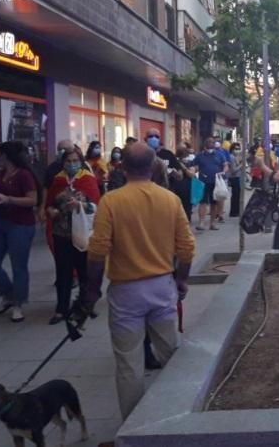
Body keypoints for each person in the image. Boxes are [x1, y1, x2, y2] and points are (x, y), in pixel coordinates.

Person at [69, 142, 195, 435]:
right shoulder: (170, 200)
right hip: (162, 287)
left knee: (128, 364)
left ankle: (135, 432)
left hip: (125, 292)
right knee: (172, 353)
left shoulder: (112, 201)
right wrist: (182, 280)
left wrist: (90, 292)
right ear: (153, 167)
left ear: (122, 167)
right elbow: (187, 248)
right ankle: (180, 415)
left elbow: (97, 252)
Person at [0, 141, 40, 323]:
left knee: (18, 265)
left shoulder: (24, 175)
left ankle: (18, 302)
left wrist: (8, 199)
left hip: (20, 225)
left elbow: (32, 200)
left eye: (0, 155)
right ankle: (7, 293)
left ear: (8, 156)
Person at [45, 149, 101, 325]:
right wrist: (51, 211)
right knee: (63, 272)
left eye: (75, 160)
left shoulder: (87, 179)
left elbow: (96, 205)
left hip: (82, 233)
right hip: (61, 233)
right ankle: (61, 309)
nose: (71, 164)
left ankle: (85, 306)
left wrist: (81, 205)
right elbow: (50, 204)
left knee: (84, 271)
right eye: (68, 161)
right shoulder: (58, 180)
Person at [192, 137, 229, 231]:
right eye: (209, 142)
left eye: (213, 142)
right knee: (202, 202)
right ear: (205, 145)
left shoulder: (219, 155)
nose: (212, 144)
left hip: (215, 182)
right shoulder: (200, 156)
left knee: (214, 203)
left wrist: (223, 172)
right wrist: (193, 172)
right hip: (203, 182)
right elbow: (195, 166)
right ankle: (201, 223)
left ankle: (212, 223)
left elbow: (225, 165)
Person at [170, 144, 196, 221]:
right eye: (180, 149)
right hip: (174, 187)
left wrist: (182, 166)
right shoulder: (173, 160)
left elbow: (191, 174)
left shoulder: (191, 160)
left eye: (184, 149)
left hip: (187, 187)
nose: (182, 151)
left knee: (187, 207)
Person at [227, 142, 242, 217]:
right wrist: (241, 165)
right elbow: (233, 170)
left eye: (239, 149)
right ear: (232, 149)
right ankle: (234, 212)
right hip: (234, 178)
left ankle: (236, 211)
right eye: (236, 149)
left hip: (236, 177)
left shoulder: (235, 157)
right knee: (235, 195)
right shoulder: (232, 157)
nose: (237, 150)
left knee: (237, 195)